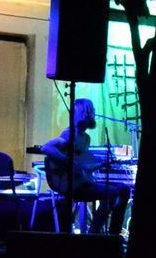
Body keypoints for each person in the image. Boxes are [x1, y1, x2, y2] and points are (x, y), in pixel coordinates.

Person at [42, 98, 132, 234]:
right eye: (92, 110)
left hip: (82, 183)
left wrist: (102, 163)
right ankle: (94, 233)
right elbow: (46, 147)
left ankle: (114, 233)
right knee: (112, 192)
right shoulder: (70, 134)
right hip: (72, 186)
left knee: (124, 189)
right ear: (85, 113)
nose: (94, 113)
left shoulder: (85, 138)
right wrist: (70, 165)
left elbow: (83, 167)